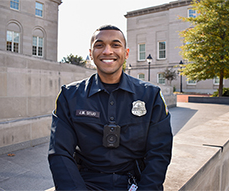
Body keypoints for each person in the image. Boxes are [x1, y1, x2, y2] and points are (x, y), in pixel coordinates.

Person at [48, 25, 173, 191]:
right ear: (91, 54)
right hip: (86, 183)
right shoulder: (69, 96)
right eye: (99, 45)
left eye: (115, 45)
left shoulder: (151, 96)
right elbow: (60, 152)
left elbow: (160, 152)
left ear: (126, 53)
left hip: (135, 182)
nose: (107, 51)